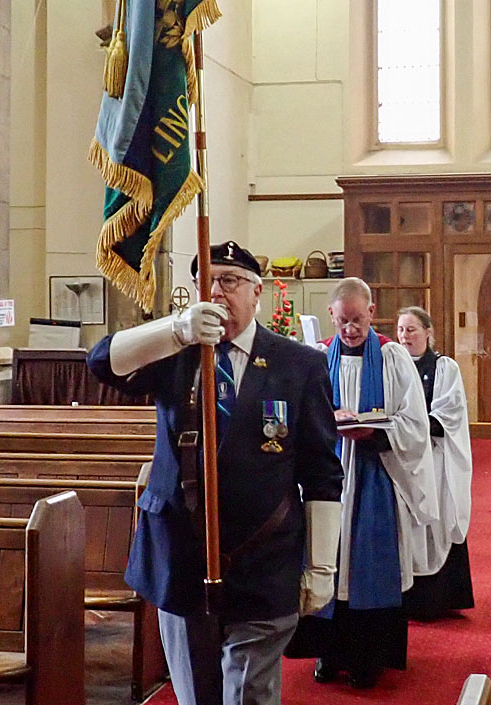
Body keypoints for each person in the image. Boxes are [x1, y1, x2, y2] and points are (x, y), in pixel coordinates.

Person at [87, 241, 343, 705]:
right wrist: (176, 330)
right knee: (194, 694)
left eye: (230, 281)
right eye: (206, 282)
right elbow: (101, 363)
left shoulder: (298, 364)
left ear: (256, 292)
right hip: (180, 554)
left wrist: (322, 566)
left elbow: (323, 471)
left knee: (249, 692)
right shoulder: (175, 353)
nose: (217, 292)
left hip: (262, 558)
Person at [286, 277, 437, 689]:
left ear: (372, 312)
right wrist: (328, 420)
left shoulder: (392, 358)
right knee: (324, 557)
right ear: (331, 317)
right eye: (343, 322)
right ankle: (328, 654)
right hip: (329, 474)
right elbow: (302, 414)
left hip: (375, 474)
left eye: (358, 320)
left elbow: (415, 422)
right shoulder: (317, 358)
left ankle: (369, 658)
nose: (350, 330)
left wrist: (376, 431)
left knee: (366, 560)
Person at [396, 307, 474, 620]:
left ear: (429, 332)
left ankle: (438, 598)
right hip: (404, 459)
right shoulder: (393, 367)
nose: (405, 337)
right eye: (401, 330)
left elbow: (448, 414)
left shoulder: (445, 368)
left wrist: (408, 427)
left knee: (436, 521)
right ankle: (408, 598)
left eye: (412, 330)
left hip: (435, 457)